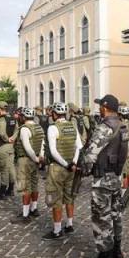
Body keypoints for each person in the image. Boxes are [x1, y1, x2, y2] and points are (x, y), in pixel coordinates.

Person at [80, 94, 128, 258]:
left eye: (101, 106)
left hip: (102, 180)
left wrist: (83, 169)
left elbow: (91, 155)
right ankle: (116, 250)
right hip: (116, 176)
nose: (99, 108)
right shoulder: (123, 127)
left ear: (105, 108)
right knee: (116, 215)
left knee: (102, 218)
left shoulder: (104, 128)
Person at [43, 102, 82, 239]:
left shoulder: (53, 128)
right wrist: (74, 164)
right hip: (72, 167)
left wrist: (66, 164)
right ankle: (69, 225)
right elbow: (79, 146)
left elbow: (53, 151)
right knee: (69, 196)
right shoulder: (72, 126)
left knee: (56, 198)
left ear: (54, 114)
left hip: (58, 167)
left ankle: (57, 230)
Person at [12, 107, 44, 223]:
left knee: (24, 186)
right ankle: (34, 208)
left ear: (23, 117)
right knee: (35, 184)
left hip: (26, 159)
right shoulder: (38, 127)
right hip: (36, 159)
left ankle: (25, 215)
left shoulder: (24, 129)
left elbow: (27, 147)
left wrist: (35, 158)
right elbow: (42, 143)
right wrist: (40, 157)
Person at [0, 101, 18, 201]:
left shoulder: (1, 119)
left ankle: (1, 192)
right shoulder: (13, 118)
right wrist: (13, 138)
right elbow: (17, 129)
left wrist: (7, 139)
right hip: (11, 146)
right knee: (11, 167)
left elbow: (2, 133)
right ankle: (10, 189)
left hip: (3, 146)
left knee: (3, 169)